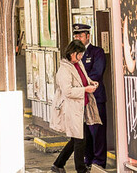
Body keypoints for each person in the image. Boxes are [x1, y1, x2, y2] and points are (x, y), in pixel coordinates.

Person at [50, 40, 102, 173]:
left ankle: (58, 164)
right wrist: (85, 90)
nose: (81, 57)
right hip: (71, 108)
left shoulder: (78, 64)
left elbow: (83, 78)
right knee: (80, 140)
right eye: (79, 55)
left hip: (81, 106)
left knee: (76, 139)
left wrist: (91, 82)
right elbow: (67, 91)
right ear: (72, 53)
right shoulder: (64, 69)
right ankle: (81, 169)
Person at [73, 23, 107, 170]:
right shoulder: (73, 55)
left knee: (97, 132)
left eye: (80, 36)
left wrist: (81, 84)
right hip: (81, 98)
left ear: (88, 36)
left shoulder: (97, 52)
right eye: (75, 36)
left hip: (95, 97)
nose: (78, 39)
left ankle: (99, 161)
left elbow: (97, 73)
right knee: (84, 132)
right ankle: (88, 159)